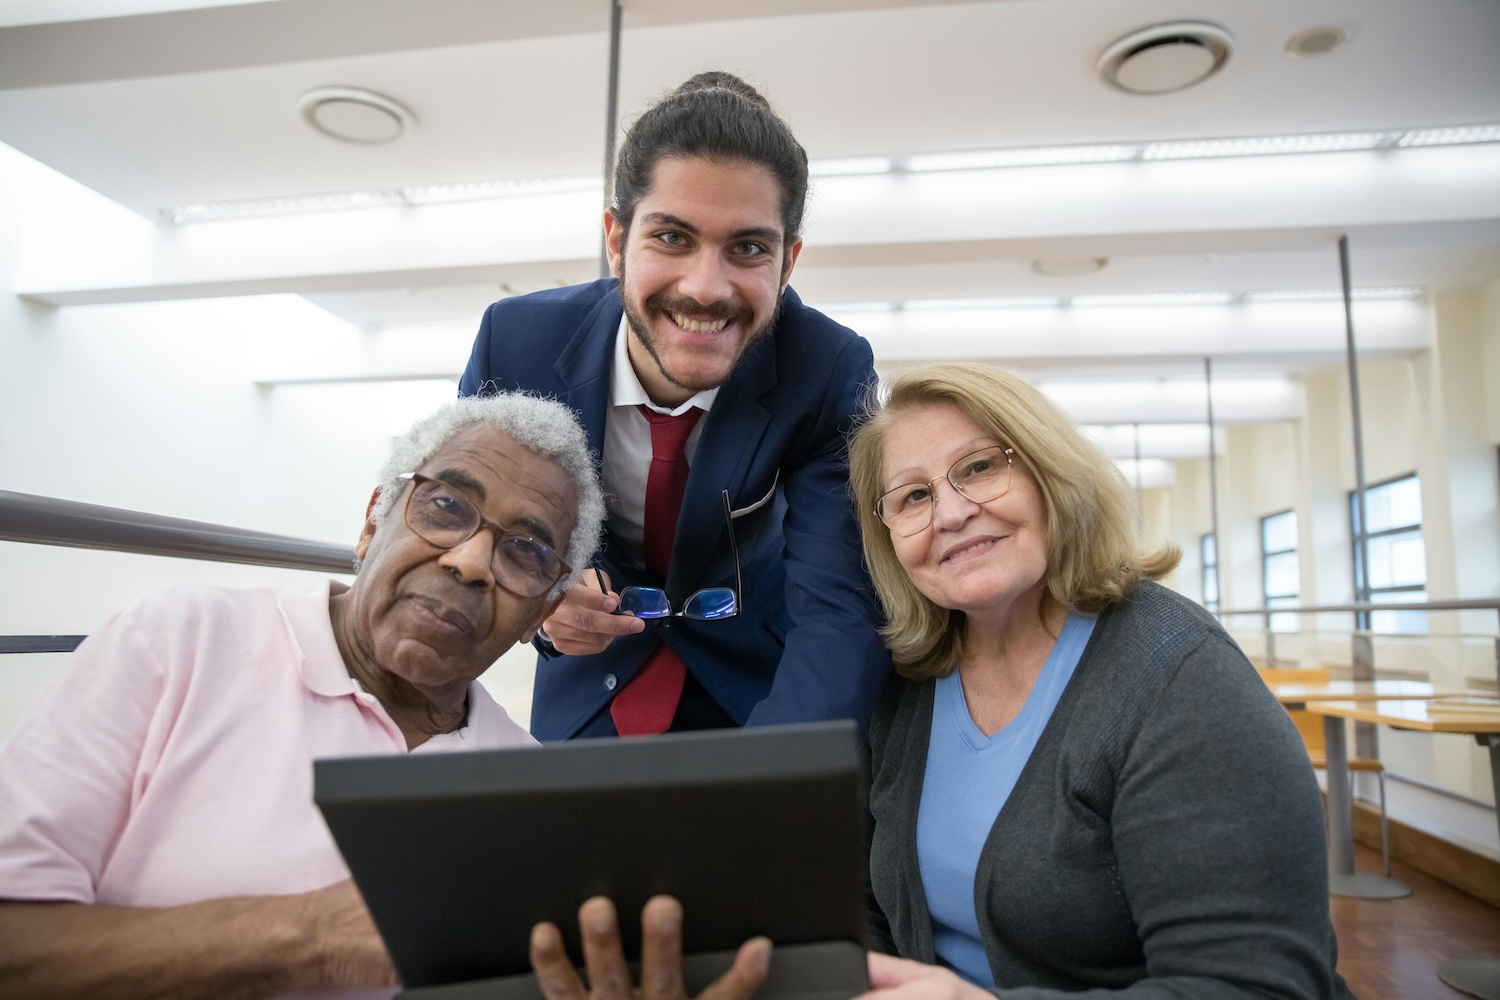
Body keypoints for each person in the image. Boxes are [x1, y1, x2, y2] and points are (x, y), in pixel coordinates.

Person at [0, 393, 606, 1000]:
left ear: (545, 609)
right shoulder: (180, 640)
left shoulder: (526, 784)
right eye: (446, 506)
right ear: (374, 520)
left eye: (525, 551)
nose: (471, 561)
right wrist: (314, 936)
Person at [845, 362, 1353, 998]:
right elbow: (865, 905)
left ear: (1050, 475)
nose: (950, 512)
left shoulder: (1180, 679)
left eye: (979, 468)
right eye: (913, 496)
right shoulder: (902, 689)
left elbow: (1257, 986)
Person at [458, 70, 890, 739]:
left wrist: (780, 776)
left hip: (762, 688)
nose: (705, 288)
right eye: (671, 237)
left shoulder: (827, 367)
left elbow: (839, 607)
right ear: (615, 239)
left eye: (748, 248)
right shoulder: (517, 346)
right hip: (588, 686)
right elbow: (475, 536)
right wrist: (539, 601)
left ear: (790, 261)